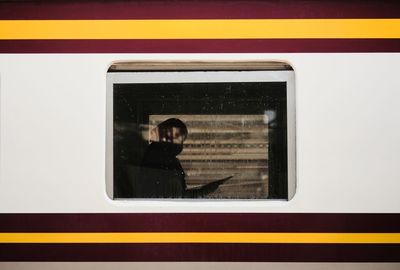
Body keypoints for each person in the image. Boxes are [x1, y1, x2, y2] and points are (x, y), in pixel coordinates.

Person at [134, 118, 231, 198]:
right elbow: (174, 199)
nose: (175, 139)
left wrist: (205, 190)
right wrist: (203, 192)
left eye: (180, 136)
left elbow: (177, 196)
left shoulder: (163, 157)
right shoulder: (159, 160)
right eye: (172, 135)